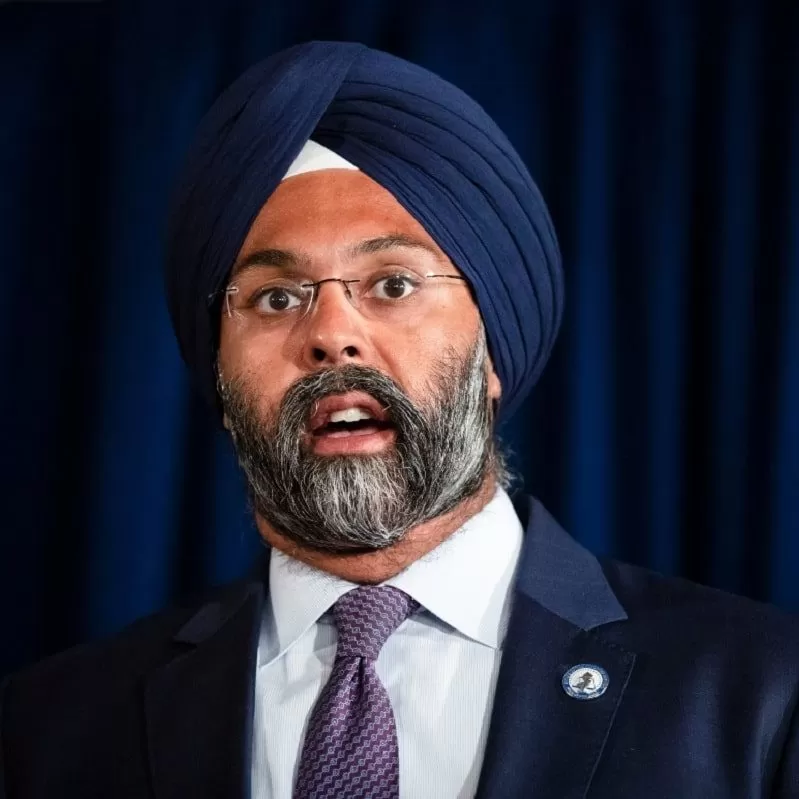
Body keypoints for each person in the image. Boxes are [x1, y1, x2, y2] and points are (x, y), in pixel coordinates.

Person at [1, 40, 798, 799]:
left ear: (492, 348)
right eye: (275, 297)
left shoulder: (760, 692)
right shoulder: (48, 729)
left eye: (391, 285)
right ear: (218, 368)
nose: (331, 333)